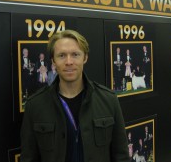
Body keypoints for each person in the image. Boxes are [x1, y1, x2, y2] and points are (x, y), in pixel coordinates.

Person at [21, 30, 130, 162]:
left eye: (75, 55)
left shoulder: (109, 100)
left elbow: (121, 156)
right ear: (53, 61)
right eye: (61, 55)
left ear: (85, 58)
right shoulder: (35, 105)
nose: (69, 61)